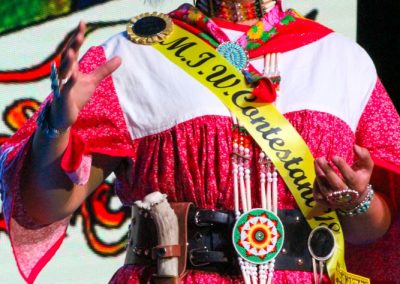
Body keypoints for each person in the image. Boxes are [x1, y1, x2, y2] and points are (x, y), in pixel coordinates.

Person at [0, 0, 399, 283]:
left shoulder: (342, 59)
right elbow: (46, 205)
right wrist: (54, 128)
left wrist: (356, 199)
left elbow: (375, 229)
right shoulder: (132, 55)